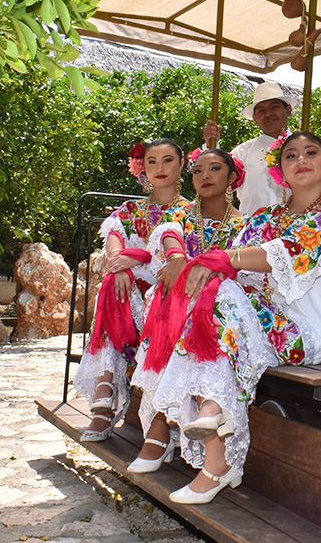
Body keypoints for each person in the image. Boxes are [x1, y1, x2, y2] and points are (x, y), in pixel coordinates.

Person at [150, 131, 321, 504]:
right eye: (291, 156)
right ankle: (214, 444)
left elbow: (283, 253)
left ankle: (214, 437)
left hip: (303, 333)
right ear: (279, 171)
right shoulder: (267, 217)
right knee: (215, 305)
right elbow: (218, 241)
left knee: (222, 302)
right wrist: (193, 258)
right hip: (258, 324)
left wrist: (225, 262)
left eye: (311, 152)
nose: (301, 159)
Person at [126, 147, 247, 473]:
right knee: (165, 296)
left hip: (222, 304)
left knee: (190, 305)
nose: (205, 176)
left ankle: (165, 428)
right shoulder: (181, 217)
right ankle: (161, 426)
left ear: (232, 176)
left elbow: (247, 267)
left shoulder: (247, 223)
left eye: (215, 169)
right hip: (181, 300)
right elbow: (169, 235)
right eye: (198, 170)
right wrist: (177, 256)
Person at [73, 139, 191, 442]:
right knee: (113, 282)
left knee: (116, 288)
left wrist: (136, 258)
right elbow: (114, 236)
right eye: (152, 161)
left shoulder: (191, 213)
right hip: (128, 293)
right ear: (143, 168)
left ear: (181, 165)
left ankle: (105, 399)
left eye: (168, 160)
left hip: (166, 295)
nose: (160, 168)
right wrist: (120, 264)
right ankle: (106, 385)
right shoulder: (130, 210)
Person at [203, 82, 299, 216]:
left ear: (288, 110)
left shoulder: (307, 150)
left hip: (297, 229)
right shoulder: (242, 152)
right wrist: (211, 145)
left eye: (274, 107)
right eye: (261, 110)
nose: (268, 114)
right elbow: (217, 182)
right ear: (254, 118)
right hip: (250, 230)